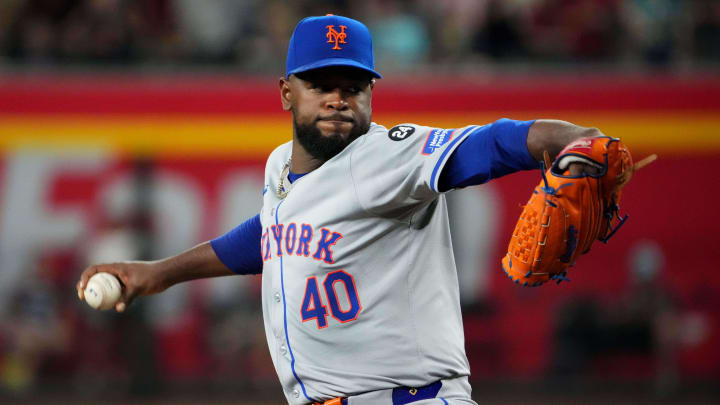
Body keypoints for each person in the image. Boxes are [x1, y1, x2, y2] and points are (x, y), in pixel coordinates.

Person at [77, 14, 605, 405]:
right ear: (287, 92)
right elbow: (271, 233)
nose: (337, 99)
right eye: (321, 85)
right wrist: (159, 274)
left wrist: (573, 140)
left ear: (372, 93)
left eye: (352, 87)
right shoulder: (280, 165)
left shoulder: (391, 155)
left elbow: (489, 145)